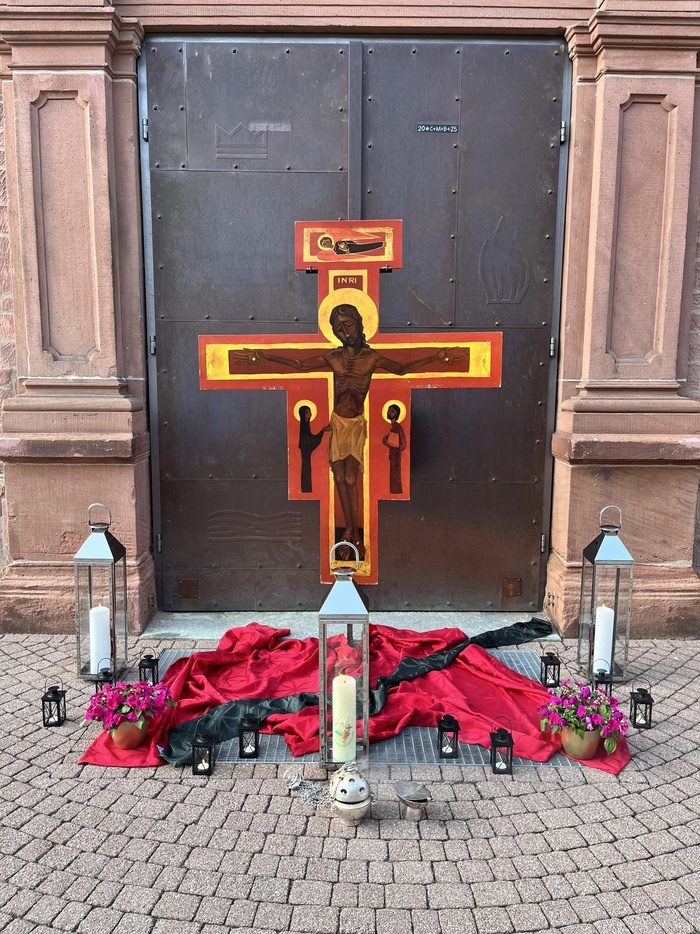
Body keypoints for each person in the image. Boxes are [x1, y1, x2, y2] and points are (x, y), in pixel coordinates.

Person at [231, 304, 467, 559]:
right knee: (339, 477)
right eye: (338, 329)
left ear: (359, 322)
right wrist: (265, 356)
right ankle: (351, 531)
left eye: (348, 325)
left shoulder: (372, 358)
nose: (345, 333)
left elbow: (402, 369)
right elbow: (300, 365)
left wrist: (435, 358)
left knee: (351, 478)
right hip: (337, 422)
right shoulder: (333, 357)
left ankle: (353, 530)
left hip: (354, 425)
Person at [297, 405, 328, 493]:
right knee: (306, 468)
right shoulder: (303, 427)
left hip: (306, 450)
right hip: (305, 450)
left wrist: (322, 431)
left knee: (307, 468)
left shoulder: (306, 425)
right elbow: (309, 440)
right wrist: (322, 432)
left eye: (309, 412)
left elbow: (310, 438)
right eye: (307, 412)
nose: (309, 414)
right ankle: (306, 488)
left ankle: (306, 488)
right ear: (302, 414)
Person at [382, 404, 406, 495]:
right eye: (389, 410)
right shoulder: (391, 426)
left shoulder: (397, 427)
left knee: (395, 474)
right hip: (392, 454)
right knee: (392, 474)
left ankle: (396, 492)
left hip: (395, 455)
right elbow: (385, 440)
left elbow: (403, 443)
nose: (389, 412)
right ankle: (393, 492)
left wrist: (396, 451)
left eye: (392, 411)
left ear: (396, 414)